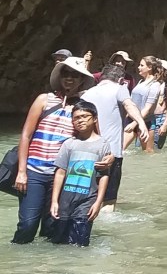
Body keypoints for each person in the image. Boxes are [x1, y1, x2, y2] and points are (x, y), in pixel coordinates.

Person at [13, 55, 96, 244]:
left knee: (52, 227)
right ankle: (18, 266)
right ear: (59, 76)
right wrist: (21, 171)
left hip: (61, 175)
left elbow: (92, 140)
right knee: (27, 224)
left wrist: (106, 159)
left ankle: (44, 269)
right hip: (34, 172)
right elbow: (26, 135)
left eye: (75, 75)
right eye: (66, 73)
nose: (70, 78)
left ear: (82, 80)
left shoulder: (82, 108)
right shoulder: (44, 100)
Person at [82, 58, 153, 211]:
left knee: (87, 197)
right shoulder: (119, 88)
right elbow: (129, 104)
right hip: (112, 153)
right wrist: (141, 123)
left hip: (86, 152)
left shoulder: (87, 93)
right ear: (121, 80)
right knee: (108, 201)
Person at [48, 100, 113, 247]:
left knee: (80, 242)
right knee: (59, 242)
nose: (80, 120)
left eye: (84, 116)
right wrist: (54, 201)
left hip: (87, 200)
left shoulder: (103, 145)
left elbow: (103, 175)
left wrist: (98, 202)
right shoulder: (69, 144)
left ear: (95, 118)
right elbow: (60, 172)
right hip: (65, 200)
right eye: (76, 118)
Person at [124, 56, 163, 152]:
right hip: (130, 120)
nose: (138, 67)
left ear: (149, 67)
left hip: (146, 122)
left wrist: (135, 123)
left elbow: (147, 108)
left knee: (148, 152)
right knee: (120, 149)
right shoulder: (141, 82)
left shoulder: (155, 85)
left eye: (141, 65)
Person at [151, 60, 167, 149]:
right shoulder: (149, 83)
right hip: (148, 118)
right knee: (140, 146)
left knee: (155, 147)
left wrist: (165, 124)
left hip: (160, 119)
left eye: (158, 68)